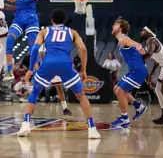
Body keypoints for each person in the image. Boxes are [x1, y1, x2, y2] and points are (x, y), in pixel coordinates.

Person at [17, 9, 101, 139]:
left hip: (48, 64)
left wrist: (30, 70)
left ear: (52, 20)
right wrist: (83, 70)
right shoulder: (72, 32)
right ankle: (92, 128)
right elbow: (83, 49)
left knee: (34, 93)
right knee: (81, 95)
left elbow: (34, 49)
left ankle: (26, 123)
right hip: (65, 64)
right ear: (64, 20)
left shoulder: (44, 31)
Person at [111, 18, 148, 128]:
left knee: (120, 92)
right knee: (116, 89)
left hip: (138, 71)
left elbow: (133, 43)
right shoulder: (122, 41)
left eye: (115, 24)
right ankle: (139, 107)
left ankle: (125, 119)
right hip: (134, 70)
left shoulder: (123, 40)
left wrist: (140, 46)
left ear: (121, 28)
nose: (113, 26)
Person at [37, 44, 73, 116]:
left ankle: (65, 108)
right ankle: (30, 111)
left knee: (59, 88)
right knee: (37, 88)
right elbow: (41, 55)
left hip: (55, 68)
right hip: (46, 68)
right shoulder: (43, 44)